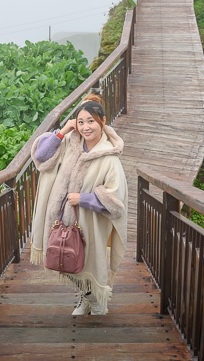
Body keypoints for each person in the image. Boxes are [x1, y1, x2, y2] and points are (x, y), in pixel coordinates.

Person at [29, 93, 129, 315]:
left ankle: (96, 302)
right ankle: (85, 297)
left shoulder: (109, 157)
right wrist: (64, 130)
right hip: (59, 219)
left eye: (91, 121)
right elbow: (42, 157)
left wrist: (83, 199)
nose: (86, 127)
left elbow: (116, 200)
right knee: (63, 260)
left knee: (88, 262)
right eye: (81, 121)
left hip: (89, 221)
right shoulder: (69, 144)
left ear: (103, 121)